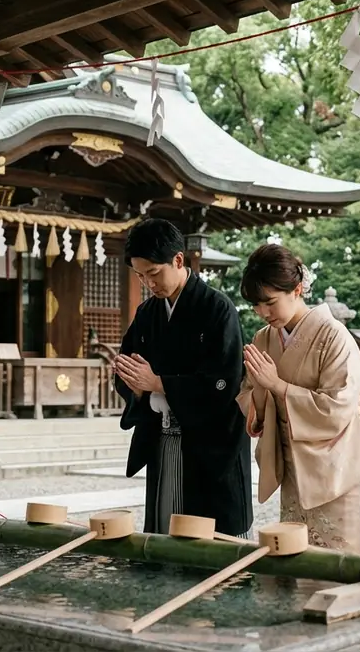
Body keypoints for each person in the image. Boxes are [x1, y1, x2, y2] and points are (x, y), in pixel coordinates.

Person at [236, 243, 360, 553]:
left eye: (269, 302)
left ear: (298, 289)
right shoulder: (263, 338)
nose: (262, 312)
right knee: (300, 555)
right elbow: (249, 395)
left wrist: (278, 385)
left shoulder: (334, 335)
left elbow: (338, 407)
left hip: (339, 462)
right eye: (256, 305)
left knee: (345, 557)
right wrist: (262, 390)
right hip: (295, 466)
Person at [112, 218, 253, 537]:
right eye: (140, 275)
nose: (149, 283)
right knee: (165, 524)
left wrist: (159, 383)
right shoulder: (147, 314)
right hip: (163, 439)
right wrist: (134, 387)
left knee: (211, 535)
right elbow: (131, 372)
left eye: (153, 273)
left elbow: (225, 382)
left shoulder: (218, 308)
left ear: (178, 260)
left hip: (211, 446)